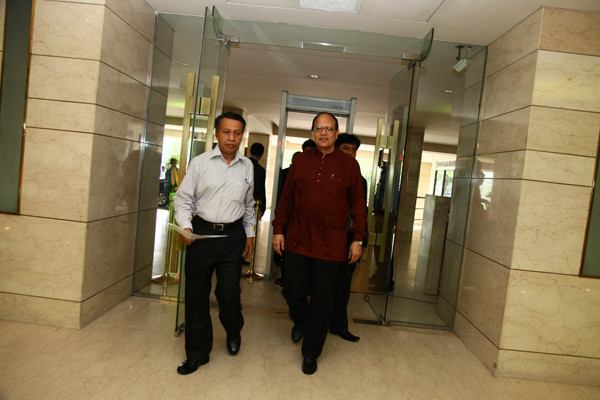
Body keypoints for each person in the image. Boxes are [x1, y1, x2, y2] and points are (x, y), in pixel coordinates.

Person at [272, 112, 366, 375]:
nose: (323, 132)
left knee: (323, 301)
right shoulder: (301, 161)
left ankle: (310, 353)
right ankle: (302, 322)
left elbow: (359, 206)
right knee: (293, 292)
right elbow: (286, 199)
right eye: (318, 128)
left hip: (331, 244)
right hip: (298, 239)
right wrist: (278, 230)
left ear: (336, 133)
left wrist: (358, 239)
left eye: (329, 128)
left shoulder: (349, 165)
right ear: (312, 132)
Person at [173, 111, 255, 375]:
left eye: (237, 133)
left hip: (232, 237)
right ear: (217, 133)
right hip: (202, 235)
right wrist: (185, 226)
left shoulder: (248, 166)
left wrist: (250, 234)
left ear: (242, 136)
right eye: (226, 132)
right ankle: (198, 352)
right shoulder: (200, 163)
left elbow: (248, 204)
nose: (231, 138)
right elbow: (183, 199)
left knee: (228, 294)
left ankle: (233, 330)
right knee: (197, 295)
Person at [330, 133, 368, 342]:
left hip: (347, 239)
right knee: (321, 283)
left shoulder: (361, 180)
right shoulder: (327, 172)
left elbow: (361, 212)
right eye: (346, 148)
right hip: (325, 238)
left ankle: (338, 325)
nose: (351, 153)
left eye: (354, 150)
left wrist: (359, 241)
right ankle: (312, 322)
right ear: (336, 148)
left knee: (343, 285)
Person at [249, 143, 266, 218]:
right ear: (262, 153)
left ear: (250, 151)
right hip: (252, 204)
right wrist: (262, 208)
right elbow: (260, 189)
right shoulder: (260, 170)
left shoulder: (242, 165)